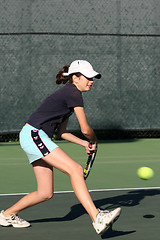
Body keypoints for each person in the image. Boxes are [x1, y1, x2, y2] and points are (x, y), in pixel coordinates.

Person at [0, 60, 121, 234]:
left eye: (93, 78)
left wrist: (84, 143)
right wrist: (93, 139)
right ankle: (97, 217)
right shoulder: (73, 93)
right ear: (75, 78)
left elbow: (62, 133)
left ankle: (7, 215)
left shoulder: (69, 95)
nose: (91, 81)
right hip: (34, 135)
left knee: (45, 192)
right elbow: (85, 129)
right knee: (75, 169)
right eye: (88, 77)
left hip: (33, 136)